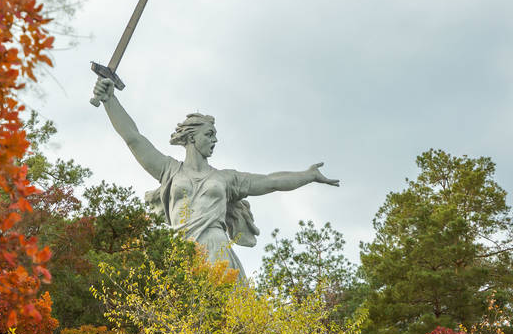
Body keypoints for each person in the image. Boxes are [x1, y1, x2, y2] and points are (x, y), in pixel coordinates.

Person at [91, 76, 338, 280]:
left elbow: (270, 181)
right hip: (180, 250)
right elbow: (133, 138)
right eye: (209, 134)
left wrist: (308, 176)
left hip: (216, 249)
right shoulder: (169, 170)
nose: (214, 140)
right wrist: (109, 100)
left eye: (215, 135)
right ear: (191, 137)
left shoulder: (226, 179)